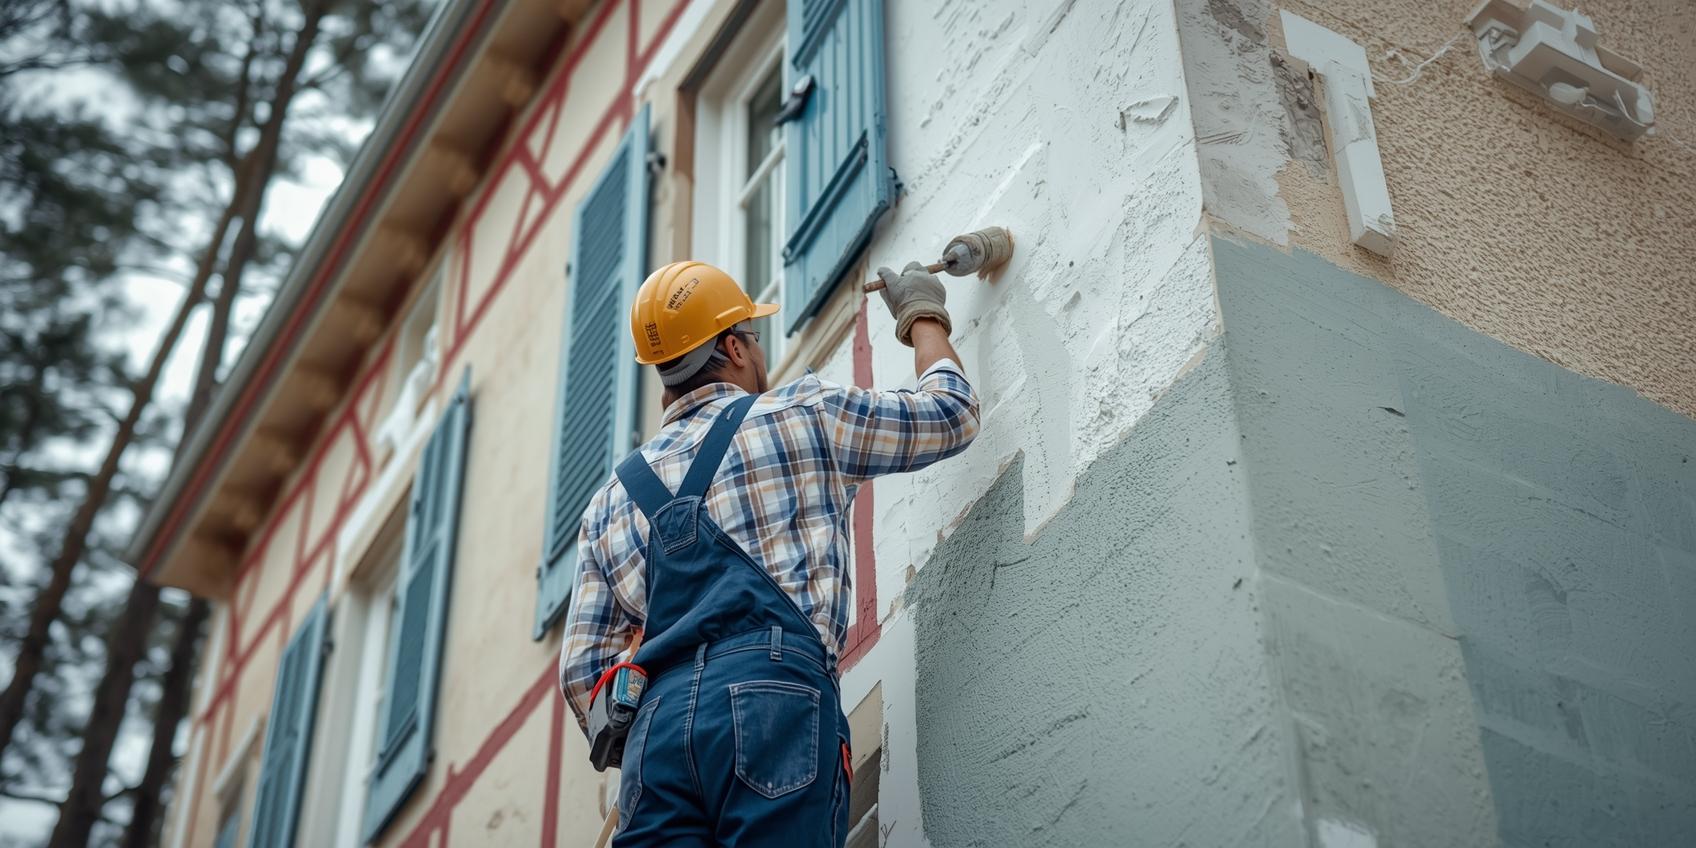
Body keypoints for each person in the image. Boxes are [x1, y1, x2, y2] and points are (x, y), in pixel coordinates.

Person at [558, 259, 979, 846]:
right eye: (752, 337)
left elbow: (582, 674)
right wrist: (922, 313)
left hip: (656, 741)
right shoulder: (800, 414)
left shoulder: (609, 501)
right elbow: (951, 414)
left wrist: (660, 718)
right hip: (772, 701)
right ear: (733, 346)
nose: (758, 351)